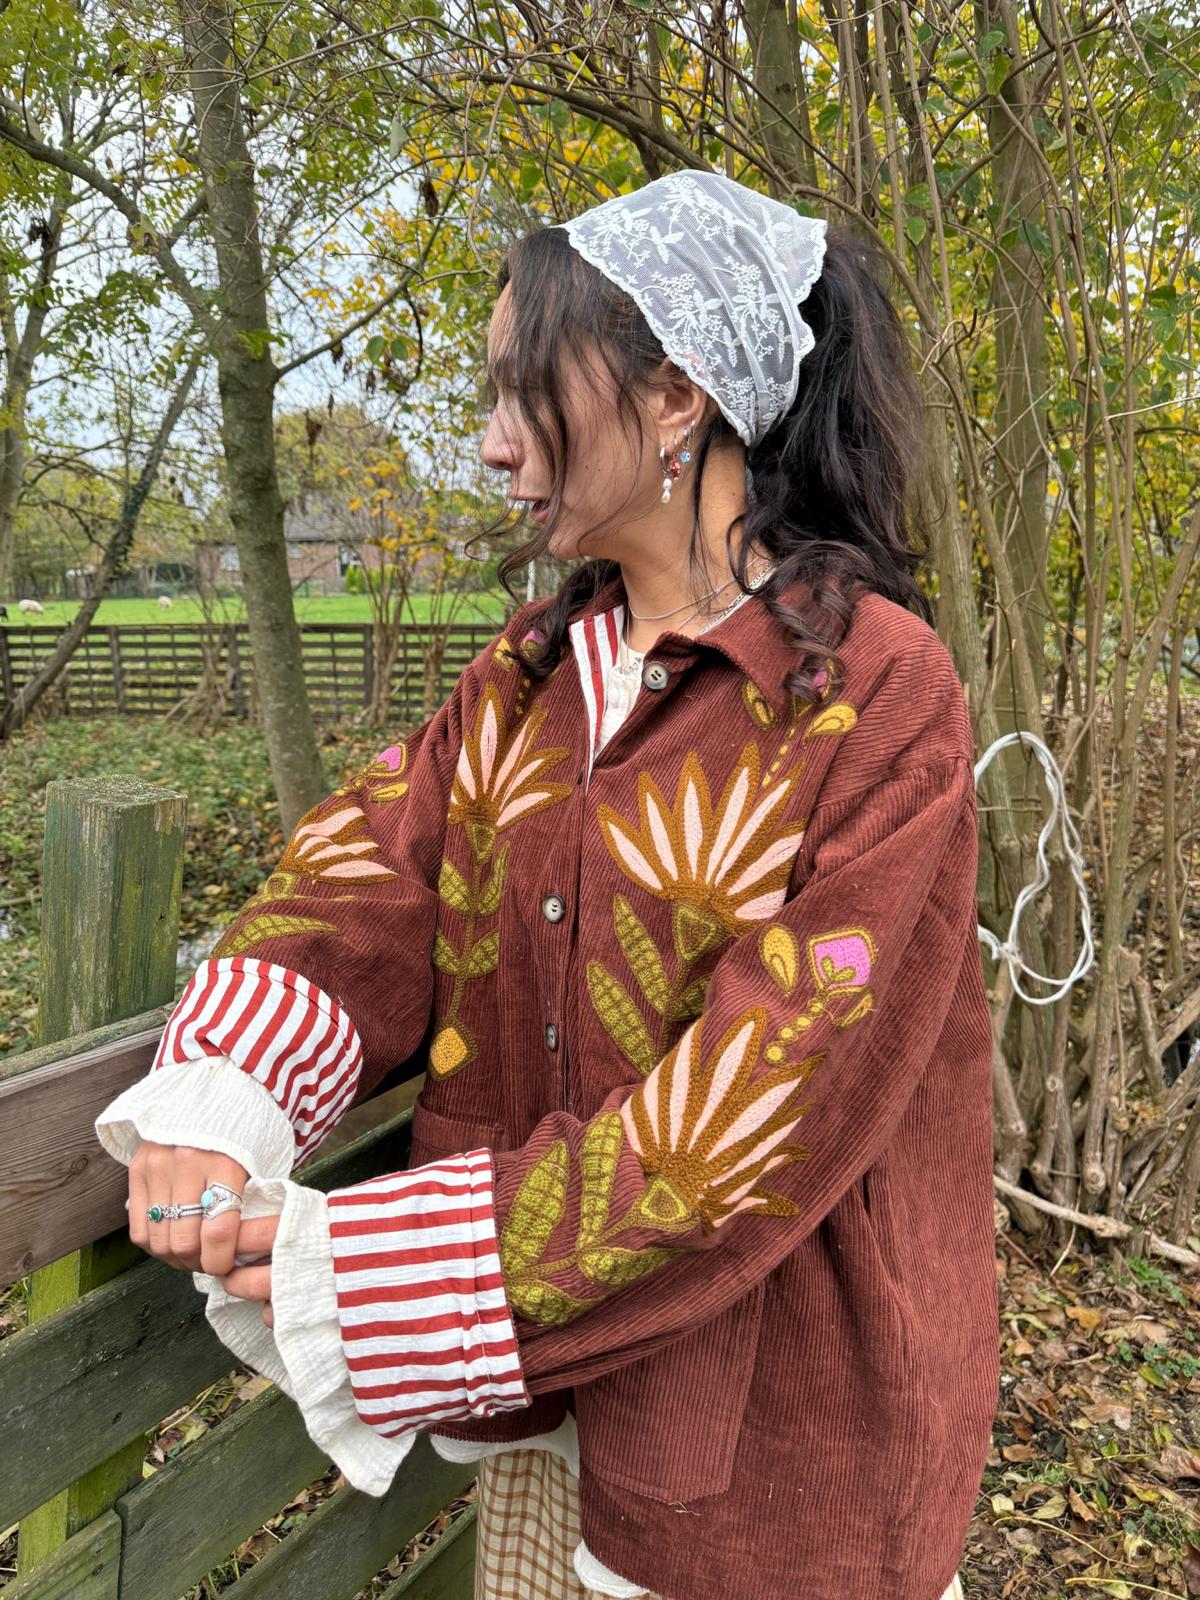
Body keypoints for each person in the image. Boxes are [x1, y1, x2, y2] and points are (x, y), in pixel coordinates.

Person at [96, 170, 999, 1600]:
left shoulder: (874, 695)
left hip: (776, 1449)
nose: (492, 442)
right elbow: (369, 877)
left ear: (676, 395)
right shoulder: (529, 680)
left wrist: (367, 1268)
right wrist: (219, 1107)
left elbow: (764, 1107)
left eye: (526, 391)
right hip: (548, 1409)